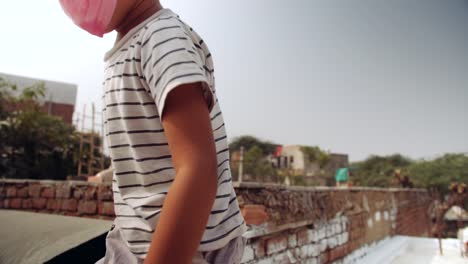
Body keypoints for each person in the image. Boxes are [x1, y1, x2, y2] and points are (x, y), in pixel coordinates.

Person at [59, 1, 253, 263]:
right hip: (134, 239)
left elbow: (197, 168)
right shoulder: (132, 44)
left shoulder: (161, 38)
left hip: (185, 247)